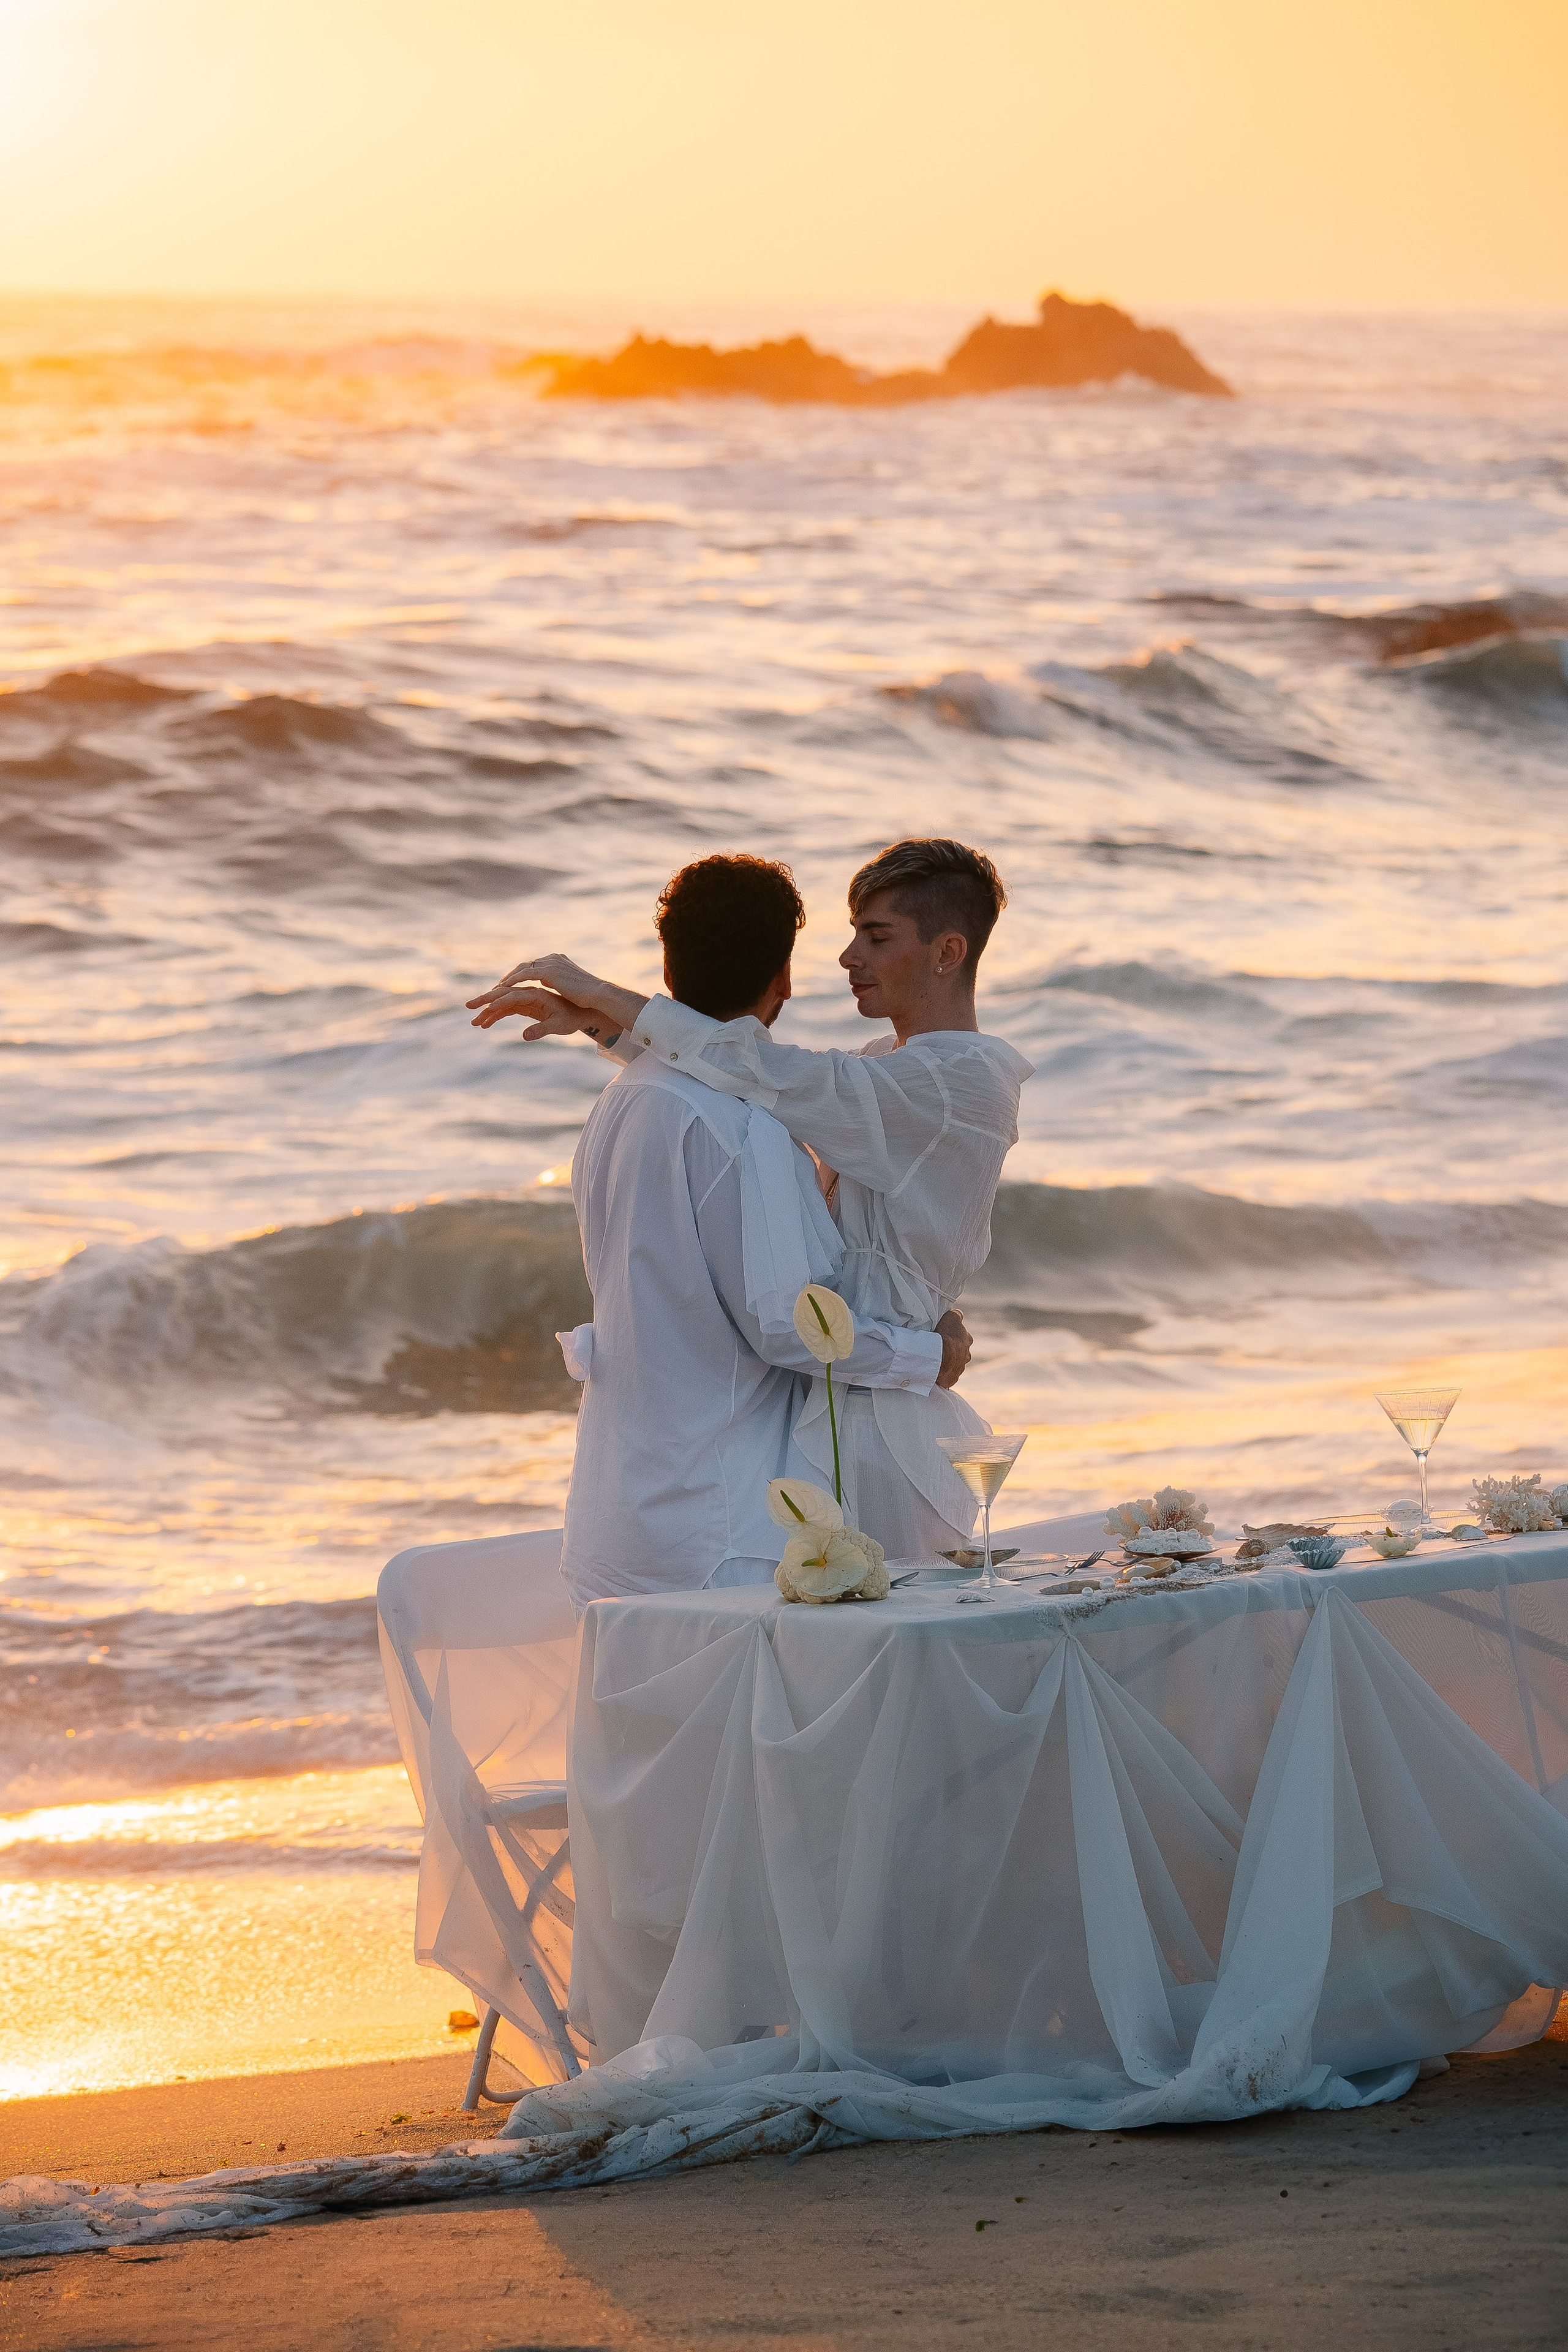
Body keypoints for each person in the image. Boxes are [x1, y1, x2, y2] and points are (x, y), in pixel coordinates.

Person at [469, 838, 1031, 1561]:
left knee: (890, 1625)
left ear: (947, 953)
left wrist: (603, 997)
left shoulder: (958, 1082)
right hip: (840, 1401)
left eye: (876, 936)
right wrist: (608, 1028)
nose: (848, 957)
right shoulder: (884, 1072)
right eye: (853, 933)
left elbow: (757, 1072)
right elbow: (736, 1091)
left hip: (878, 1422)